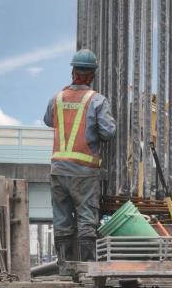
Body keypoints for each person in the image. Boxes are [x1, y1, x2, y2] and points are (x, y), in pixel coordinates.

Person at [44, 49, 116, 264]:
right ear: (92, 75)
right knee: (86, 219)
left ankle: (65, 267)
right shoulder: (97, 100)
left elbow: (49, 121)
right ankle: (86, 268)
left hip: (58, 170)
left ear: (73, 71)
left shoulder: (56, 98)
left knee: (62, 219)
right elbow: (108, 132)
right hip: (83, 171)